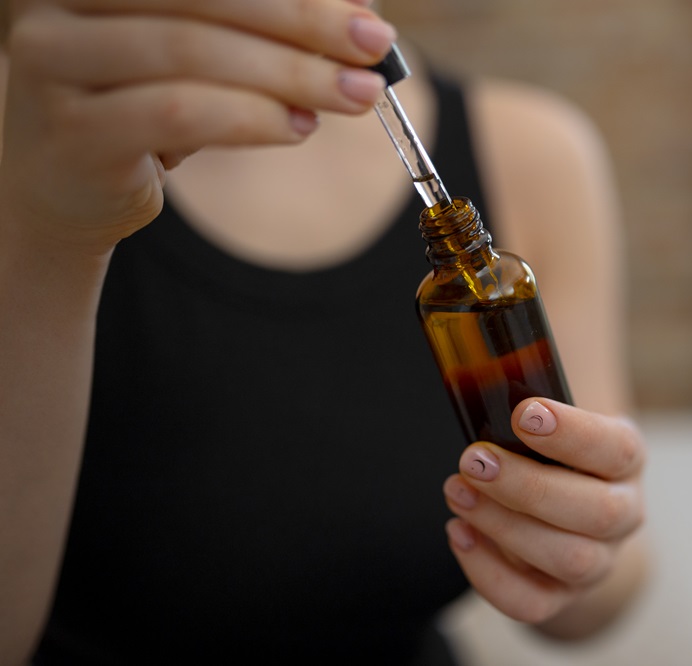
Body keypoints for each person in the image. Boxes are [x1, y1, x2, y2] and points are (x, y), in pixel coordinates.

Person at [0, 0, 648, 663]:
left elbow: (598, 594)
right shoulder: (32, 134)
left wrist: (580, 546)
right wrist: (48, 235)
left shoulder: (532, 153)